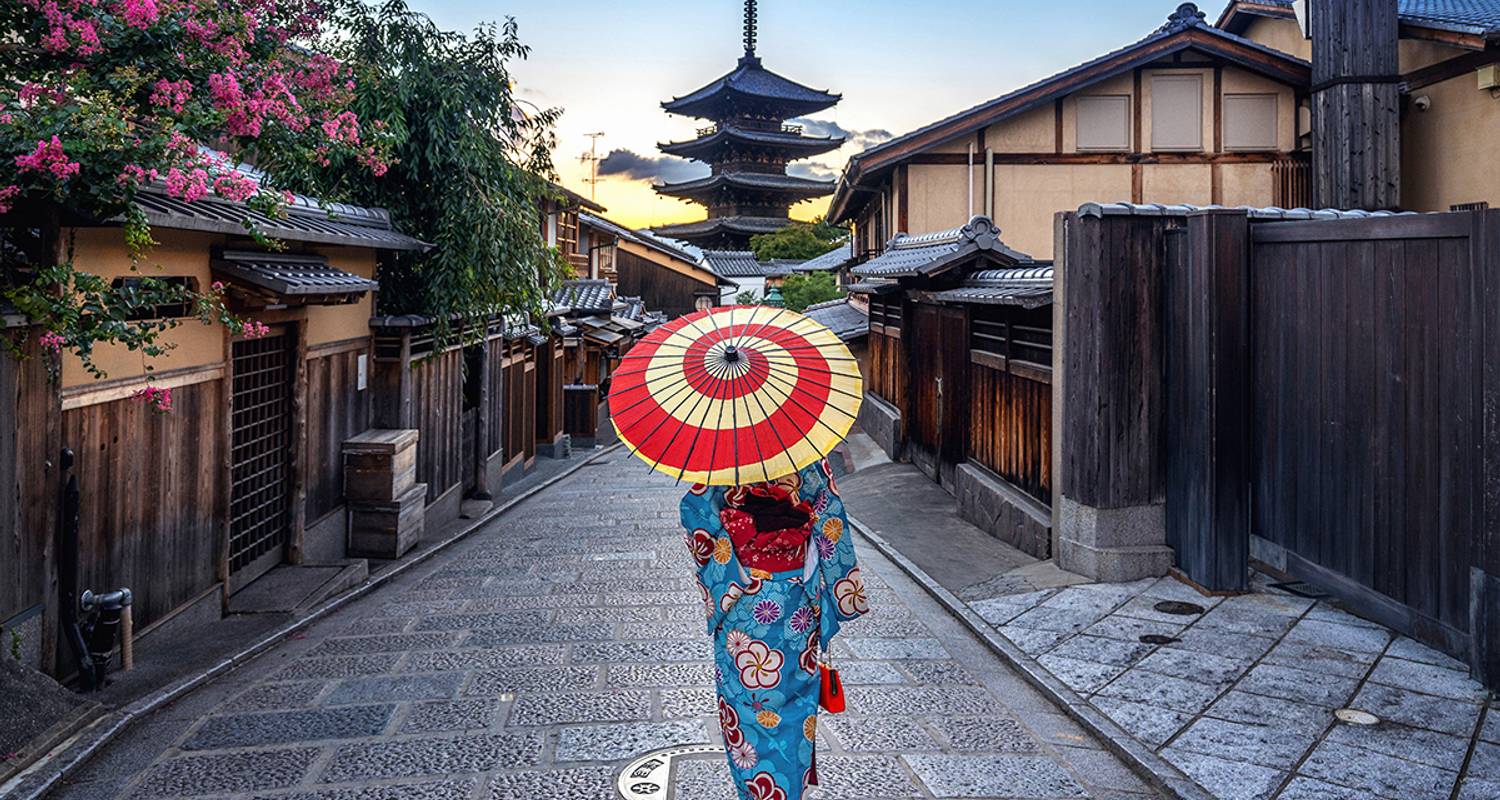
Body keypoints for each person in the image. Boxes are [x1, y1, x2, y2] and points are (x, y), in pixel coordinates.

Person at [679, 458, 869, 800]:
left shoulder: (717, 455)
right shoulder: (806, 450)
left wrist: (731, 556)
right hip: (796, 597)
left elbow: (695, 516)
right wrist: (841, 591)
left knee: (746, 706)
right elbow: (830, 519)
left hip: (743, 600)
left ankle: (756, 793)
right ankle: (789, 791)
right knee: (794, 703)